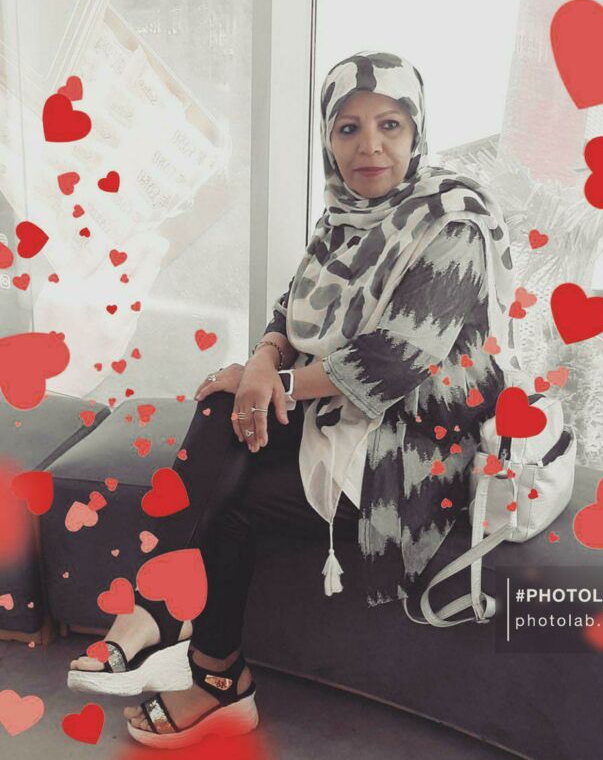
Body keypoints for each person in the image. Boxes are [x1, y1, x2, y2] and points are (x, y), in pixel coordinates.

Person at [66, 50, 521, 748]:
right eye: (348, 128)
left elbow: (392, 361)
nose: (369, 146)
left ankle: (209, 671)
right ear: (328, 138)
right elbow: (290, 310)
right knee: (221, 410)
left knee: (230, 500)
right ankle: (160, 619)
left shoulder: (451, 223)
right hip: (341, 420)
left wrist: (271, 382)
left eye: (390, 125)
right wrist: (260, 362)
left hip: (418, 448)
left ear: (416, 132)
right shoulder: (345, 218)